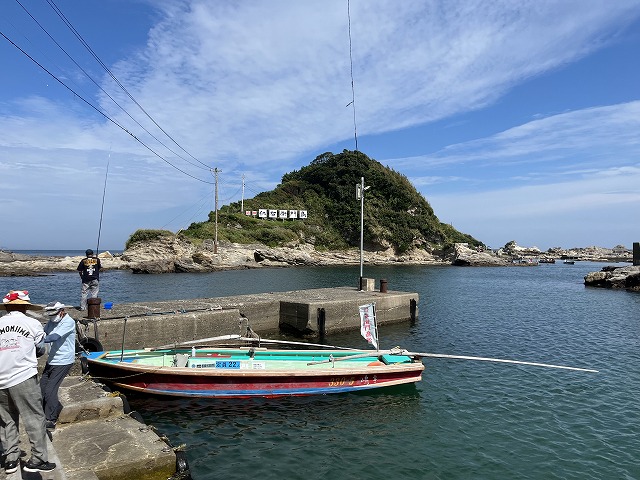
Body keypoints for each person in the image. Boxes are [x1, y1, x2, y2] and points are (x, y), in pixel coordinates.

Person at [0, 290, 56, 474]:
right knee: (34, 418)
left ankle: (10, 460)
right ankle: (38, 459)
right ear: (25, 307)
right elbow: (41, 349)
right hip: (23, 377)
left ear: (6, 307)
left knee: (6, 421)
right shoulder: (32, 323)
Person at [40, 302, 76, 431]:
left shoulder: (68, 322)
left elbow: (53, 337)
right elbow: (43, 332)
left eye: (54, 314)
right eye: (50, 315)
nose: (52, 317)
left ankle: (51, 419)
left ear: (62, 311)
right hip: (52, 360)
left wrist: (37, 340)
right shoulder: (51, 321)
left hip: (64, 360)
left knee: (50, 390)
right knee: (42, 387)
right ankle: (43, 414)